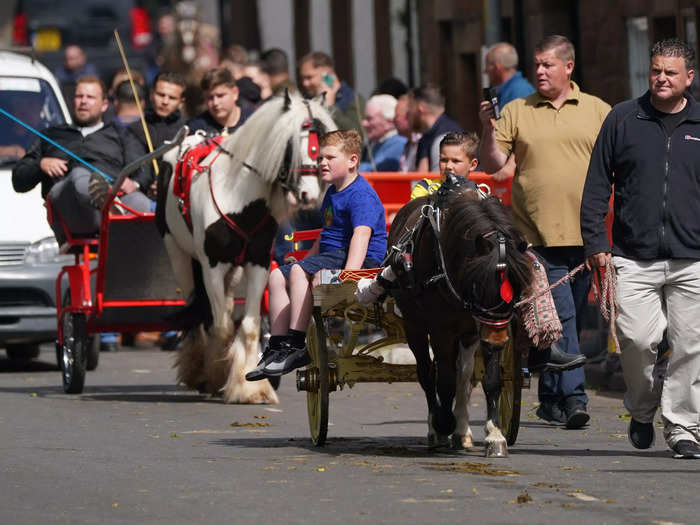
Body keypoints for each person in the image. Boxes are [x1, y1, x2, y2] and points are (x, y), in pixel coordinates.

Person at [479, 35, 610, 429]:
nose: (539, 71)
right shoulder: (518, 110)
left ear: (568, 67)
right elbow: (492, 162)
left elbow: (617, 164)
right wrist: (488, 128)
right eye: (536, 64)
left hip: (585, 233)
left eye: (547, 65)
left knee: (565, 317)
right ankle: (575, 399)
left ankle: (550, 399)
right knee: (563, 318)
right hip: (535, 236)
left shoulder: (597, 110)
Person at [581, 38, 700, 459]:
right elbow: (597, 185)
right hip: (632, 256)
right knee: (637, 339)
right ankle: (643, 409)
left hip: (693, 259)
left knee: (690, 346)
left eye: (670, 72)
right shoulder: (623, 118)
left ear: (689, 77)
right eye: (655, 71)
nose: (661, 78)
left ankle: (684, 426)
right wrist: (596, 242)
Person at [246, 130, 387, 380]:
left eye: (330, 157)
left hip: (360, 258)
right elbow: (326, 234)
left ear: (353, 161)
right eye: (320, 158)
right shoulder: (333, 192)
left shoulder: (361, 195)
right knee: (278, 275)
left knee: (300, 272)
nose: (322, 162)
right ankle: (278, 345)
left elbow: (361, 236)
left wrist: (351, 275)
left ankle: (297, 344)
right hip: (335, 254)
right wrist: (307, 258)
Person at [124, 71, 186, 194]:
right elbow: (137, 165)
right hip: (145, 195)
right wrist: (143, 184)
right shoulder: (136, 129)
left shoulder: (188, 130)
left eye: (172, 98)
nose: (165, 101)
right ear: (151, 94)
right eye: (160, 95)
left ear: (181, 102)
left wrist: (170, 185)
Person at [484, 42, 535, 182]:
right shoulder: (508, 91)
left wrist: (510, 165)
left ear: (497, 67)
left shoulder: (520, 92)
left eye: (487, 66)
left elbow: (526, 132)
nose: (485, 71)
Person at [298, 51, 365, 133]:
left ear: (326, 75)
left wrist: (330, 106)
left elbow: (356, 135)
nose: (305, 83)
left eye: (309, 77)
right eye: (303, 78)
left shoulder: (353, 99)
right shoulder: (307, 100)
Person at [408, 85, 462, 173]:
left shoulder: (446, 138)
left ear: (420, 108)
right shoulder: (427, 137)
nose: (408, 113)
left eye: (410, 107)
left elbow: (440, 182)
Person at [410, 132, 478, 199]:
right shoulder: (425, 188)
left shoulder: (478, 194)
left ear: (472, 165)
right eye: (444, 160)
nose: (448, 166)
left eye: (455, 161)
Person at [187, 67, 253, 136]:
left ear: (235, 93)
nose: (215, 103)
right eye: (210, 98)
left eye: (220, 96)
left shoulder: (252, 120)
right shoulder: (196, 127)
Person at [358, 94, 407, 172]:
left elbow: (374, 169)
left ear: (389, 121)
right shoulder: (375, 142)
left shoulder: (399, 143)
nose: (364, 123)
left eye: (369, 118)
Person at [394, 94, 421, 172]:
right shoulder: (408, 144)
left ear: (409, 116)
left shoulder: (421, 143)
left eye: (397, 116)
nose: (394, 120)